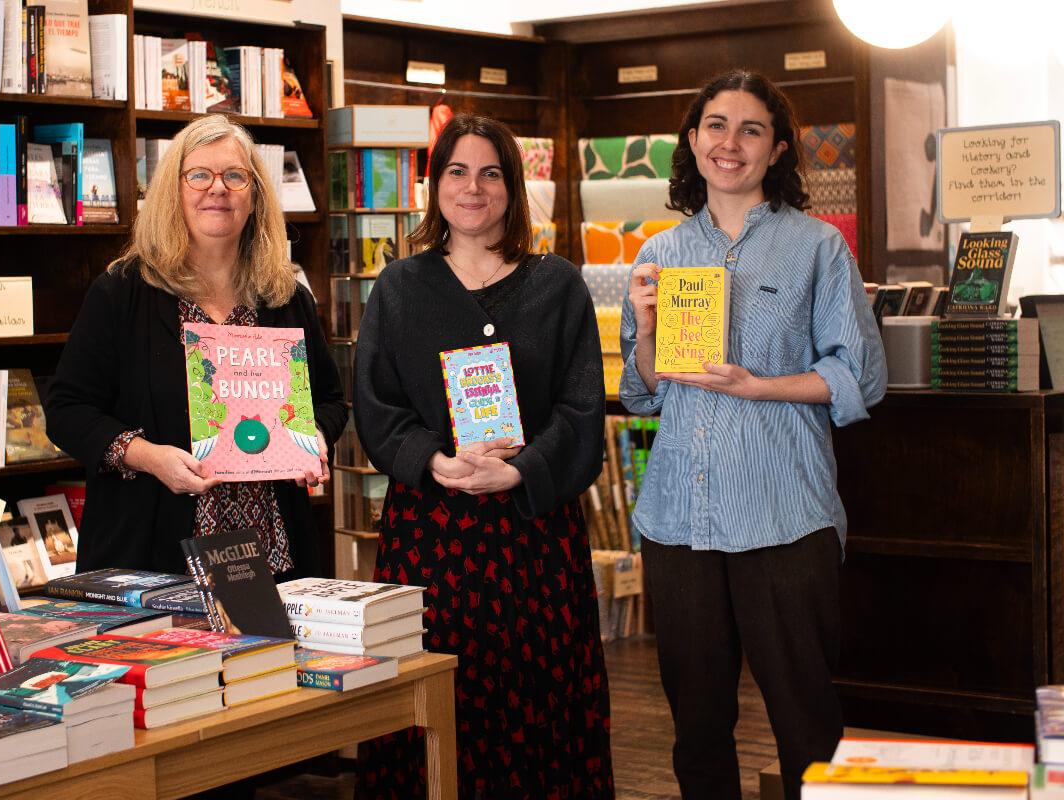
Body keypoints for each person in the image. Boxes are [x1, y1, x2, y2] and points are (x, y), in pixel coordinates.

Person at [620, 69, 886, 800]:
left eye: (750, 129)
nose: (728, 143)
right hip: (680, 524)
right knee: (697, 730)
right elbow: (643, 391)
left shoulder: (817, 248)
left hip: (783, 519)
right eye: (715, 125)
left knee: (806, 723)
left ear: (776, 150)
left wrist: (759, 386)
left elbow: (859, 375)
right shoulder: (661, 254)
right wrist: (645, 327)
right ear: (692, 140)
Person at [353, 113, 614, 799]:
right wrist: (433, 461)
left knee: (538, 703)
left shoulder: (555, 285)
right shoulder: (400, 288)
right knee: (435, 701)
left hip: (535, 537)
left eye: (491, 172)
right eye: (457, 172)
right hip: (430, 535)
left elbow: (582, 408)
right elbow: (375, 403)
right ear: (435, 185)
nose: (474, 188)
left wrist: (520, 470)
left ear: (513, 186)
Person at [46, 114, 347, 584]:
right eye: (199, 175)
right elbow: (67, 409)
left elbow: (329, 401)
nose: (218, 189)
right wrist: (149, 456)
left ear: (254, 197)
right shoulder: (124, 290)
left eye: (234, 176)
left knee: (269, 662)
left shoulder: (285, 296)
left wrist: (312, 442)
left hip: (273, 560)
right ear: (174, 191)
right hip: (151, 555)